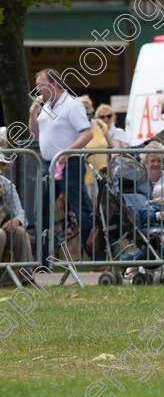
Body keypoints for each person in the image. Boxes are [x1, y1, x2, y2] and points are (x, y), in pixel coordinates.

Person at [29, 69, 94, 265]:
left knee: (81, 210)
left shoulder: (72, 105)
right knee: (41, 210)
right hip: (48, 164)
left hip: (70, 164)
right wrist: (33, 116)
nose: (38, 90)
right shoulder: (46, 106)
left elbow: (87, 134)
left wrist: (68, 151)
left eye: (42, 85)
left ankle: (96, 257)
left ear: (55, 84)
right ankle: (43, 262)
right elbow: (36, 135)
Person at [0, 153, 32, 267]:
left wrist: (17, 221)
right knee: (0, 235)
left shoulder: (7, 185)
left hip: (3, 226)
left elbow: (20, 213)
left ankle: (27, 279)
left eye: (1, 165)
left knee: (21, 233)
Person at [78, 96, 111, 202]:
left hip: (102, 172)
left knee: (103, 202)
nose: (85, 111)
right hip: (85, 172)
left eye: (87, 108)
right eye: (82, 108)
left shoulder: (100, 125)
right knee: (89, 203)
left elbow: (111, 144)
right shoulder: (75, 125)